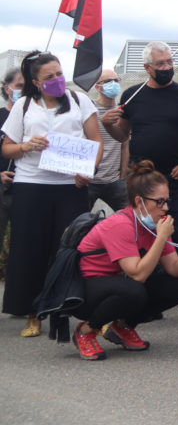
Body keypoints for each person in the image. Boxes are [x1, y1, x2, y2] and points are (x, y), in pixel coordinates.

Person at [101, 41, 178, 322]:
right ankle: (139, 299)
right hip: (142, 182)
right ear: (147, 67)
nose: (167, 68)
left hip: (176, 179)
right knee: (139, 239)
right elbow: (122, 136)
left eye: (169, 62)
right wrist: (110, 124)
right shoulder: (132, 95)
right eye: (160, 64)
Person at [1, 51, 100, 337]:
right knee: (29, 250)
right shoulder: (23, 106)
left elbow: (96, 141)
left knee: (68, 250)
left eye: (59, 73)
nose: (57, 80)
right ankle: (33, 313)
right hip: (31, 185)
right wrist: (25, 146)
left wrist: (88, 170)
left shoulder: (80, 101)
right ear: (35, 82)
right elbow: (7, 147)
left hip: (71, 188)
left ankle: (64, 310)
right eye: (49, 77)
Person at [71, 161, 178, 360]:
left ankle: (122, 327)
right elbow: (137, 275)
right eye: (160, 202)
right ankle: (86, 330)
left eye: (167, 201)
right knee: (135, 290)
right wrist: (161, 237)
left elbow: (174, 269)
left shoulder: (155, 224)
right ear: (139, 201)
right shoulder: (121, 223)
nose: (166, 208)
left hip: (116, 285)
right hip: (84, 290)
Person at [88, 69, 128, 211]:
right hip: (90, 181)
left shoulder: (121, 112)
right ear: (97, 87)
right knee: (79, 221)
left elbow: (125, 145)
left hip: (114, 180)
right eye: (108, 81)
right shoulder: (89, 110)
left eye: (116, 80)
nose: (114, 84)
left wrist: (122, 176)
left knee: (128, 218)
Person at [0, 68, 24, 276]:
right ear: (7, 89)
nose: (23, 91)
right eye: (19, 87)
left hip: (25, 191)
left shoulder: (33, 118)